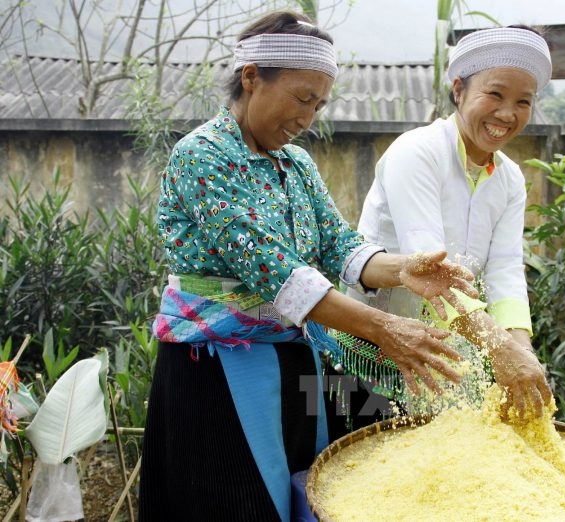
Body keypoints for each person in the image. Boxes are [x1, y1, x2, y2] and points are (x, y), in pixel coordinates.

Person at [138, 11, 479, 522]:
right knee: (234, 503)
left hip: (293, 359)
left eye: (318, 104)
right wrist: (384, 329)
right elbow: (275, 272)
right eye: (301, 99)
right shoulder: (202, 157)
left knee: (302, 492)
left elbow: (338, 244)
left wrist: (402, 269)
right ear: (251, 77)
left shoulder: (295, 163)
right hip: (218, 368)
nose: (307, 118)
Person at [345, 25, 553, 425]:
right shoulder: (417, 152)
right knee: (362, 455)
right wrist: (499, 349)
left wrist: (521, 351)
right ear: (459, 90)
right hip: (373, 343)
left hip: (448, 346)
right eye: (495, 94)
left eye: (523, 101)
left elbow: (506, 269)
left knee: (439, 463)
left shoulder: (509, 178)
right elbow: (432, 273)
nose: (507, 114)